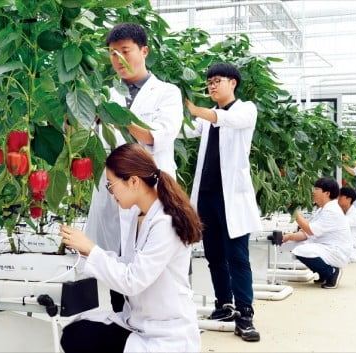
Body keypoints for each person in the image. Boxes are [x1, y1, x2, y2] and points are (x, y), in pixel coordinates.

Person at [59, 143, 202, 353]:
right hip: (141, 322)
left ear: (133, 181)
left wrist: (93, 250)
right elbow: (129, 262)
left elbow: (133, 281)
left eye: (111, 185)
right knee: (75, 333)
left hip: (165, 331)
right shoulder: (139, 216)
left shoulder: (165, 222)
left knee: (79, 339)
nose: (111, 193)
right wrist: (89, 251)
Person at [85, 22, 183, 312]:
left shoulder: (167, 93)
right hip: (114, 189)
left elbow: (157, 136)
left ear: (144, 51)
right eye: (113, 53)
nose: (118, 60)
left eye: (125, 51)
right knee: (114, 263)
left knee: (150, 267)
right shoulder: (105, 93)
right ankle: (122, 324)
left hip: (149, 191)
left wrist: (116, 115)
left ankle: (150, 325)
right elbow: (82, 127)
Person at [182, 62, 262, 341]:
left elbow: (225, 119)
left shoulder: (245, 109)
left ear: (233, 83)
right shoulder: (206, 119)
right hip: (206, 196)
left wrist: (195, 108)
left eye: (217, 80)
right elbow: (183, 130)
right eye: (209, 82)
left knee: (237, 257)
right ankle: (224, 304)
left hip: (232, 199)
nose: (212, 85)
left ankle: (245, 314)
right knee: (214, 255)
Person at [282, 178, 351, 289]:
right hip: (328, 247)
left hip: (336, 251)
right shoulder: (323, 209)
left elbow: (309, 230)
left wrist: (294, 211)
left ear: (327, 193)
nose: (313, 191)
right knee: (295, 246)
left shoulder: (331, 211)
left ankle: (331, 272)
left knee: (302, 250)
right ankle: (324, 274)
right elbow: (307, 233)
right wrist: (289, 237)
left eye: (317, 189)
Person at [338, 186, 356, 263]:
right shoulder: (340, 211)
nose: (337, 198)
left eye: (340, 196)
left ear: (349, 199)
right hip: (342, 249)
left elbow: (339, 224)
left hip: (351, 253)